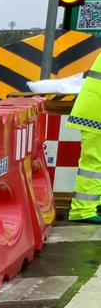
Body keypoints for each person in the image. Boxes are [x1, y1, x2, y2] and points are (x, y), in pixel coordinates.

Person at [67, 49, 101, 223]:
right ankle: (83, 210)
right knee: (93, 164)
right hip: (96, 114)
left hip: (94, 110)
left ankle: (95, 202)